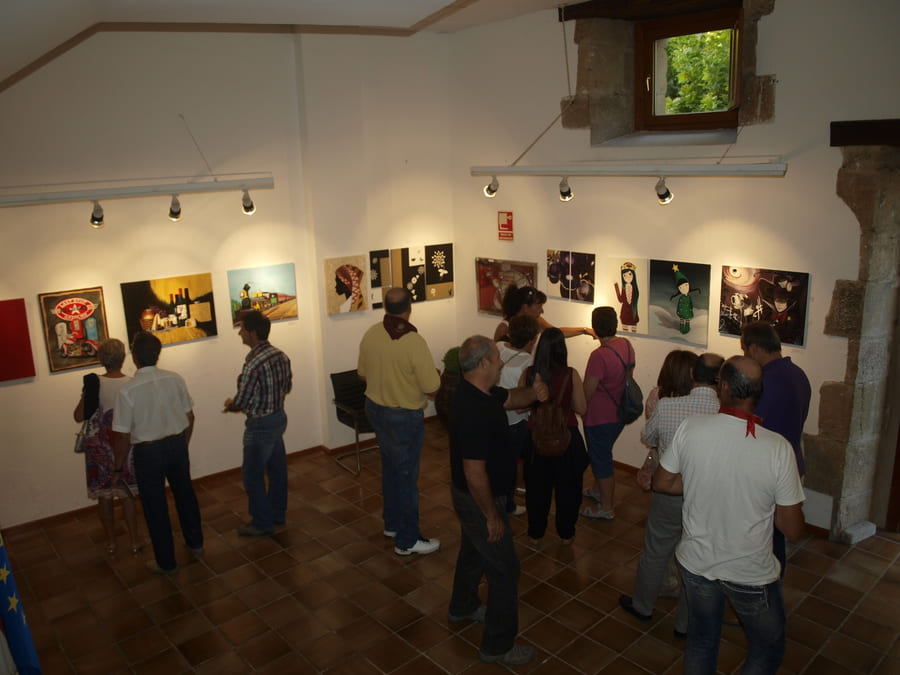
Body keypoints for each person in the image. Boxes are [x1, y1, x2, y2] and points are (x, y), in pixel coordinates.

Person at [654, 356, 805, 674]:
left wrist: (699, 480)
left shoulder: (691, 428)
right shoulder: (777, 448)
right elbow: (791, 529)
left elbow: (663, 482)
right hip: (749, 571)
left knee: (701, 640)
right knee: (768, 646)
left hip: (696, 563)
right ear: (758, 392)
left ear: (722, 388)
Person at [447, 335, 548, 666]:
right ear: (483, 364)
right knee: (505, 570)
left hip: (474, 497)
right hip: (478, 500)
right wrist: (491, 515)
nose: (502, 361)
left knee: (474, 551)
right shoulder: (474, 409)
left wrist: (534, 393)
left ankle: (462, 605)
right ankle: (497, 645)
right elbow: (474, 472)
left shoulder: (480, 393)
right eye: (496, 357)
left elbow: (510, 398)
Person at [620, 352, 723, 638]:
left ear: (693, 375)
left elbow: (649, 438)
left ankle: (642, 606)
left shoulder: (667, 406)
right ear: (720, 380)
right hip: (707, 495)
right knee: (697, 559)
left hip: (668, 490)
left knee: (656, 550)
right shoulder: (725, 411)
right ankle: (685, 625)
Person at [358, 287, 441, 555]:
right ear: (409, 308)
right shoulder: (414, 341)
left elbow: (362, 374)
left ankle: (392, 524)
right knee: (406, 477)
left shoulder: (372, 333)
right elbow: (432, 387)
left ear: (385, 307)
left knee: (391, 470)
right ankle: (407, 540)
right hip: (403, 417)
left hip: (375, 410)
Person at [112, 332, 203, 575]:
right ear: (157, 354)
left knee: (155, 507)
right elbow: (190, 417)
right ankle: (196, 543)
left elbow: (121, 435)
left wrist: (117, 466)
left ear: (135, 357)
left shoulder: (127, 391)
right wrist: (183, 444)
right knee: (185, 495)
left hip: (148, 452)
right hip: (176, 445)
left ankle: (167, 562)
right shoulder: (174, 379)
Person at [741, 320, 811, 576]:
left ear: (756, 348)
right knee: (775, 536)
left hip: (769, 468)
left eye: (747, 350)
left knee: (766, 540)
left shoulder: (768, 381)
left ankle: (765, 600)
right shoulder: (798, 374)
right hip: (792, 460)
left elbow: (750, 425)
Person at [223, 310, 293, 537]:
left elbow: (242, 401)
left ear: (252, 333)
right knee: (277, 471)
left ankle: (262, 522)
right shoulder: (280, 355)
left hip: (260, 425)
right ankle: (277, 513)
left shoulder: (253, 364)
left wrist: (230, 404)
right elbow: (287, 387)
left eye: (242, 328)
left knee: (252, 476)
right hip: (278, 418)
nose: (240, 333)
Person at [72, 338, 142, 556]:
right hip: (126, 445)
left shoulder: (94, 384)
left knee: (104, 496)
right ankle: (134, 540)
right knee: (127, 494)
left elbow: (78, 415)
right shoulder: (132, 383)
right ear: (123, 358)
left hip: (98, 447)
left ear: (101, 359)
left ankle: (111, 542)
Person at [519, 328, 589, 544]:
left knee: (536, 489)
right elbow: (582, 409)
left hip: (536, 437)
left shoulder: (529, 373)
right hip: (566, 437)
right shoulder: (571, 374)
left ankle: (536, 533)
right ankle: (566, 533)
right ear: (562, 349)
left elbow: (520, 407)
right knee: (568, 489)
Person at [581, 306, 635, 519]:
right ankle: (597, 491)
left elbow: (587, 391)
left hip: (598, 417)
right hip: (619, 413)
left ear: (595, 328)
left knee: (601, 461)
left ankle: (606, 507)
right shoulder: (626, 345)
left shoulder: (599, 355)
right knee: (602, 455)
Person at [497, 315, 540, 517]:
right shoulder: (529, 363)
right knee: (510, 466)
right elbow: (524, 403)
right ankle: (507, 505)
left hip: (495, 417)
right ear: (531, 339)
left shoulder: (498, 348)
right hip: (515, 422)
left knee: (496, 463)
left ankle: (497, 500)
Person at [493, 286, 591, 342]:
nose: (542, 311)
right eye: (539, 307)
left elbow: (557, 333)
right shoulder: (504, 328)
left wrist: (584, 330)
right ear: (525, 307)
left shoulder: (536, 321)